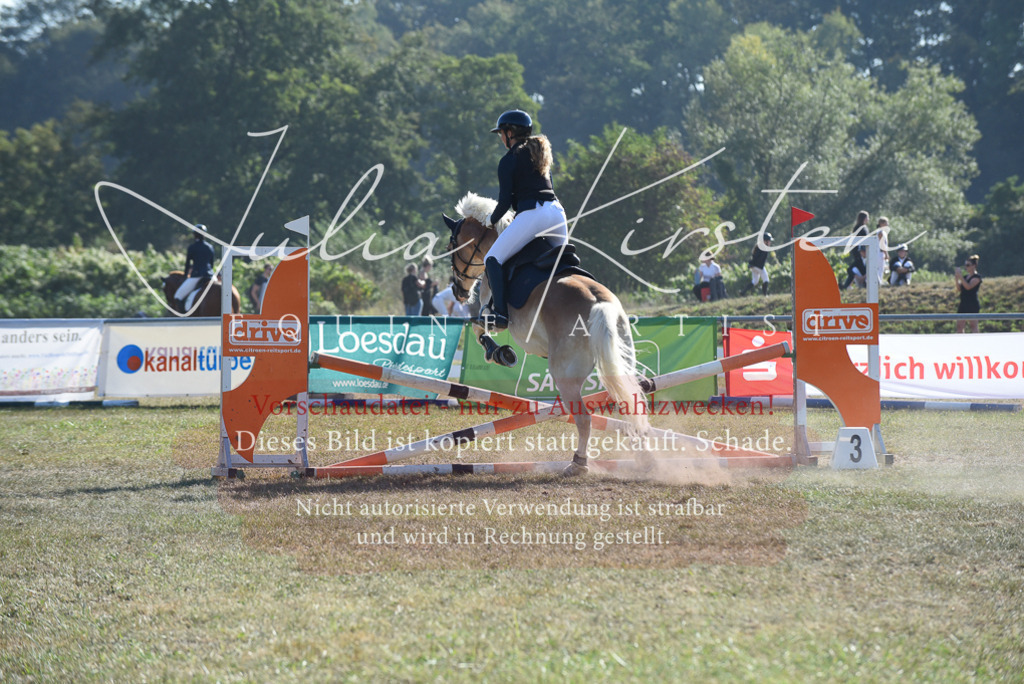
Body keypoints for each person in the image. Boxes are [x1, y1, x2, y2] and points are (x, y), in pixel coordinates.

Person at [481, 109, 568, 329]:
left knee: (491, 259)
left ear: (510, 133)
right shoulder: (540, 156)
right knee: (565, 261)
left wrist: (489, 222)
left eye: (502, 133)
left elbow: (504, 203)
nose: (501, 138)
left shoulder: (508, 160)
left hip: (534, 214)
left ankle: (500, 315)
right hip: (557, 213)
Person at [173, 225, 216, 313]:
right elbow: (211, 264)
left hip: (197, 276)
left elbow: (188, 264)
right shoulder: (210, 247)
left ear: (194, 235)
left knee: (178, 296)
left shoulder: (192, 247)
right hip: (211, 276)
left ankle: (184, 317)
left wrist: (185, 276)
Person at [954, 255, 982, 333]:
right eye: (965, 265)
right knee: (959, 326)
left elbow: (968, 287)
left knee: (973, 326)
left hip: (972, 304)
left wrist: (960, 277)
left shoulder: (977, 277)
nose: (966, 267)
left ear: (974, 265)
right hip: (963, 303)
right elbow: (960, 289)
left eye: (968, 265)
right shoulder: (965, 277)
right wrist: (957, 278)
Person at [875, 217, 891, 285]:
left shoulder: (882, 232)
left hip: (880, 252)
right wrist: (886, 254)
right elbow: (882, 244)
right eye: (886, 223)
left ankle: (879, 280)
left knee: (881, 268)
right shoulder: (880, 232)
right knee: (880, 268)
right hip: (879, 252)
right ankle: (878, 281)